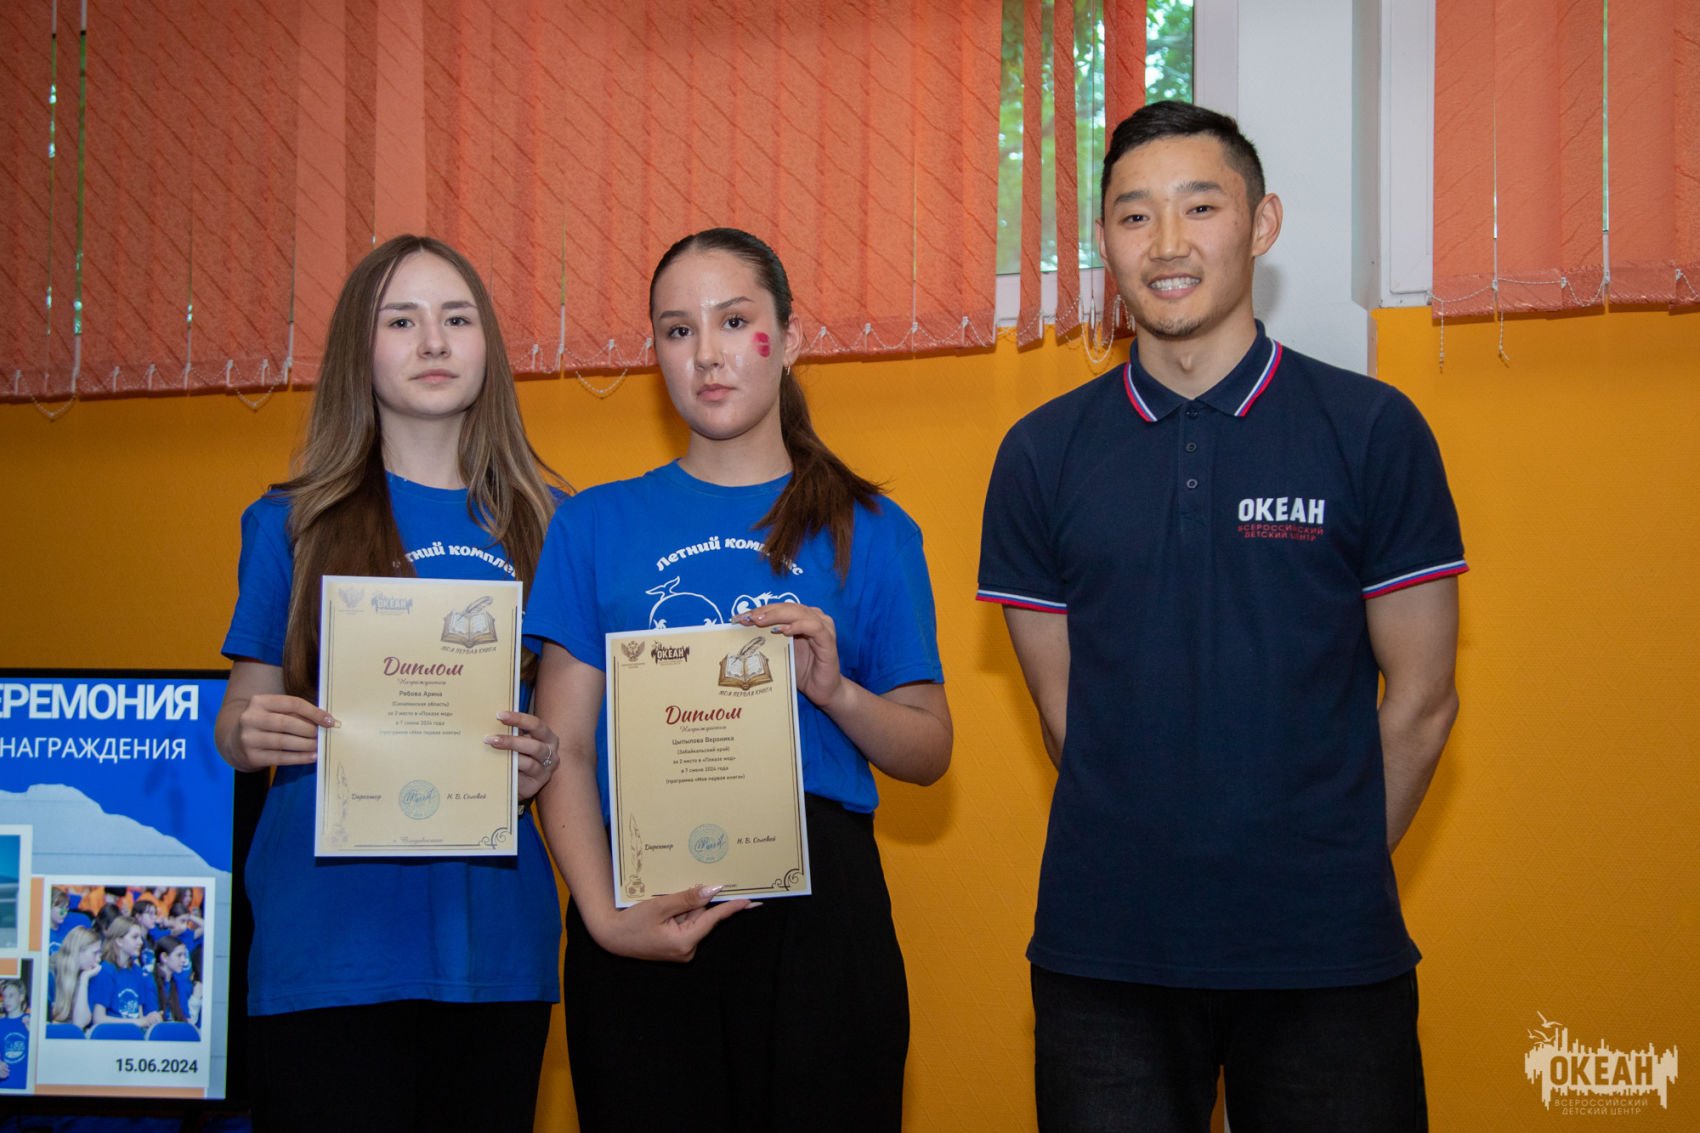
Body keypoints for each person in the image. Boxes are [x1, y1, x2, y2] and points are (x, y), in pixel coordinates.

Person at [978, 101, 1466, 1132]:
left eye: (1200, 207)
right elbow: (1067, 714)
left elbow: (1424, 699)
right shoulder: (1039, 455)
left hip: (1327, 960)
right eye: (1134, 215)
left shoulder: (1371, 430)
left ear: (1261, 223)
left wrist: (1324, 871)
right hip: (1105, 959)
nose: (1166, 243)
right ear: (1104, 241)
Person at [529, 227, 952, 1132]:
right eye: (678, 330)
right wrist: (602, 917)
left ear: (789, 338)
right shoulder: (592, 525)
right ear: (656, 351)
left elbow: (928, 748)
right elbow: (563, 747)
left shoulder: (871, 527)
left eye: (734, 321)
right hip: (643, 905)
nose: (708, 354)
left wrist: (836, 691)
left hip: (819, 922)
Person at [215, 234, 566, 1132]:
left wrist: (545, 758)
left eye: (457, 319)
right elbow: (238, 716)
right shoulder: (291, 520)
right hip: (325, 947)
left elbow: (568, 733)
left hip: (492, 946)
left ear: (487, 344)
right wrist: (252, 732)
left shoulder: (551, 522)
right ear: (358, 351)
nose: (434, 341)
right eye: (401, 321)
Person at [87, 916, 162, 1031]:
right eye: (135, 937)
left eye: (140, 937)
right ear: (119, 941)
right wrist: (139, 1022)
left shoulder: (138, 972)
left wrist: (150, 1018)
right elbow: (98, 1019)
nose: (140, 942)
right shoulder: (105, 971)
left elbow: (139, 1015)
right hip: (111, 1036)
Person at [49, 925, 101, 1030]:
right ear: (78, 951)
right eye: (95, 953)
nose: (98, 959)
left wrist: (84, 979)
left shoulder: (90, 975)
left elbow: (80, 1022)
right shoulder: (50, 974)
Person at [153, 934, 198, 1026]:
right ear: (164, 957)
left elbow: (186, 1019)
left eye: (184, 955)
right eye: (179, 955)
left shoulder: (178, 983)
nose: (184, 960)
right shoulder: (150, 982)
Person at [0, 976, 27, 1089]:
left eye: (11, 996)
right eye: (4, 996)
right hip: (5, 1087)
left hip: (27, 1087)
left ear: (21, 997)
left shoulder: (31, 1022)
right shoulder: (1, 1024)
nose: (6, 1000)